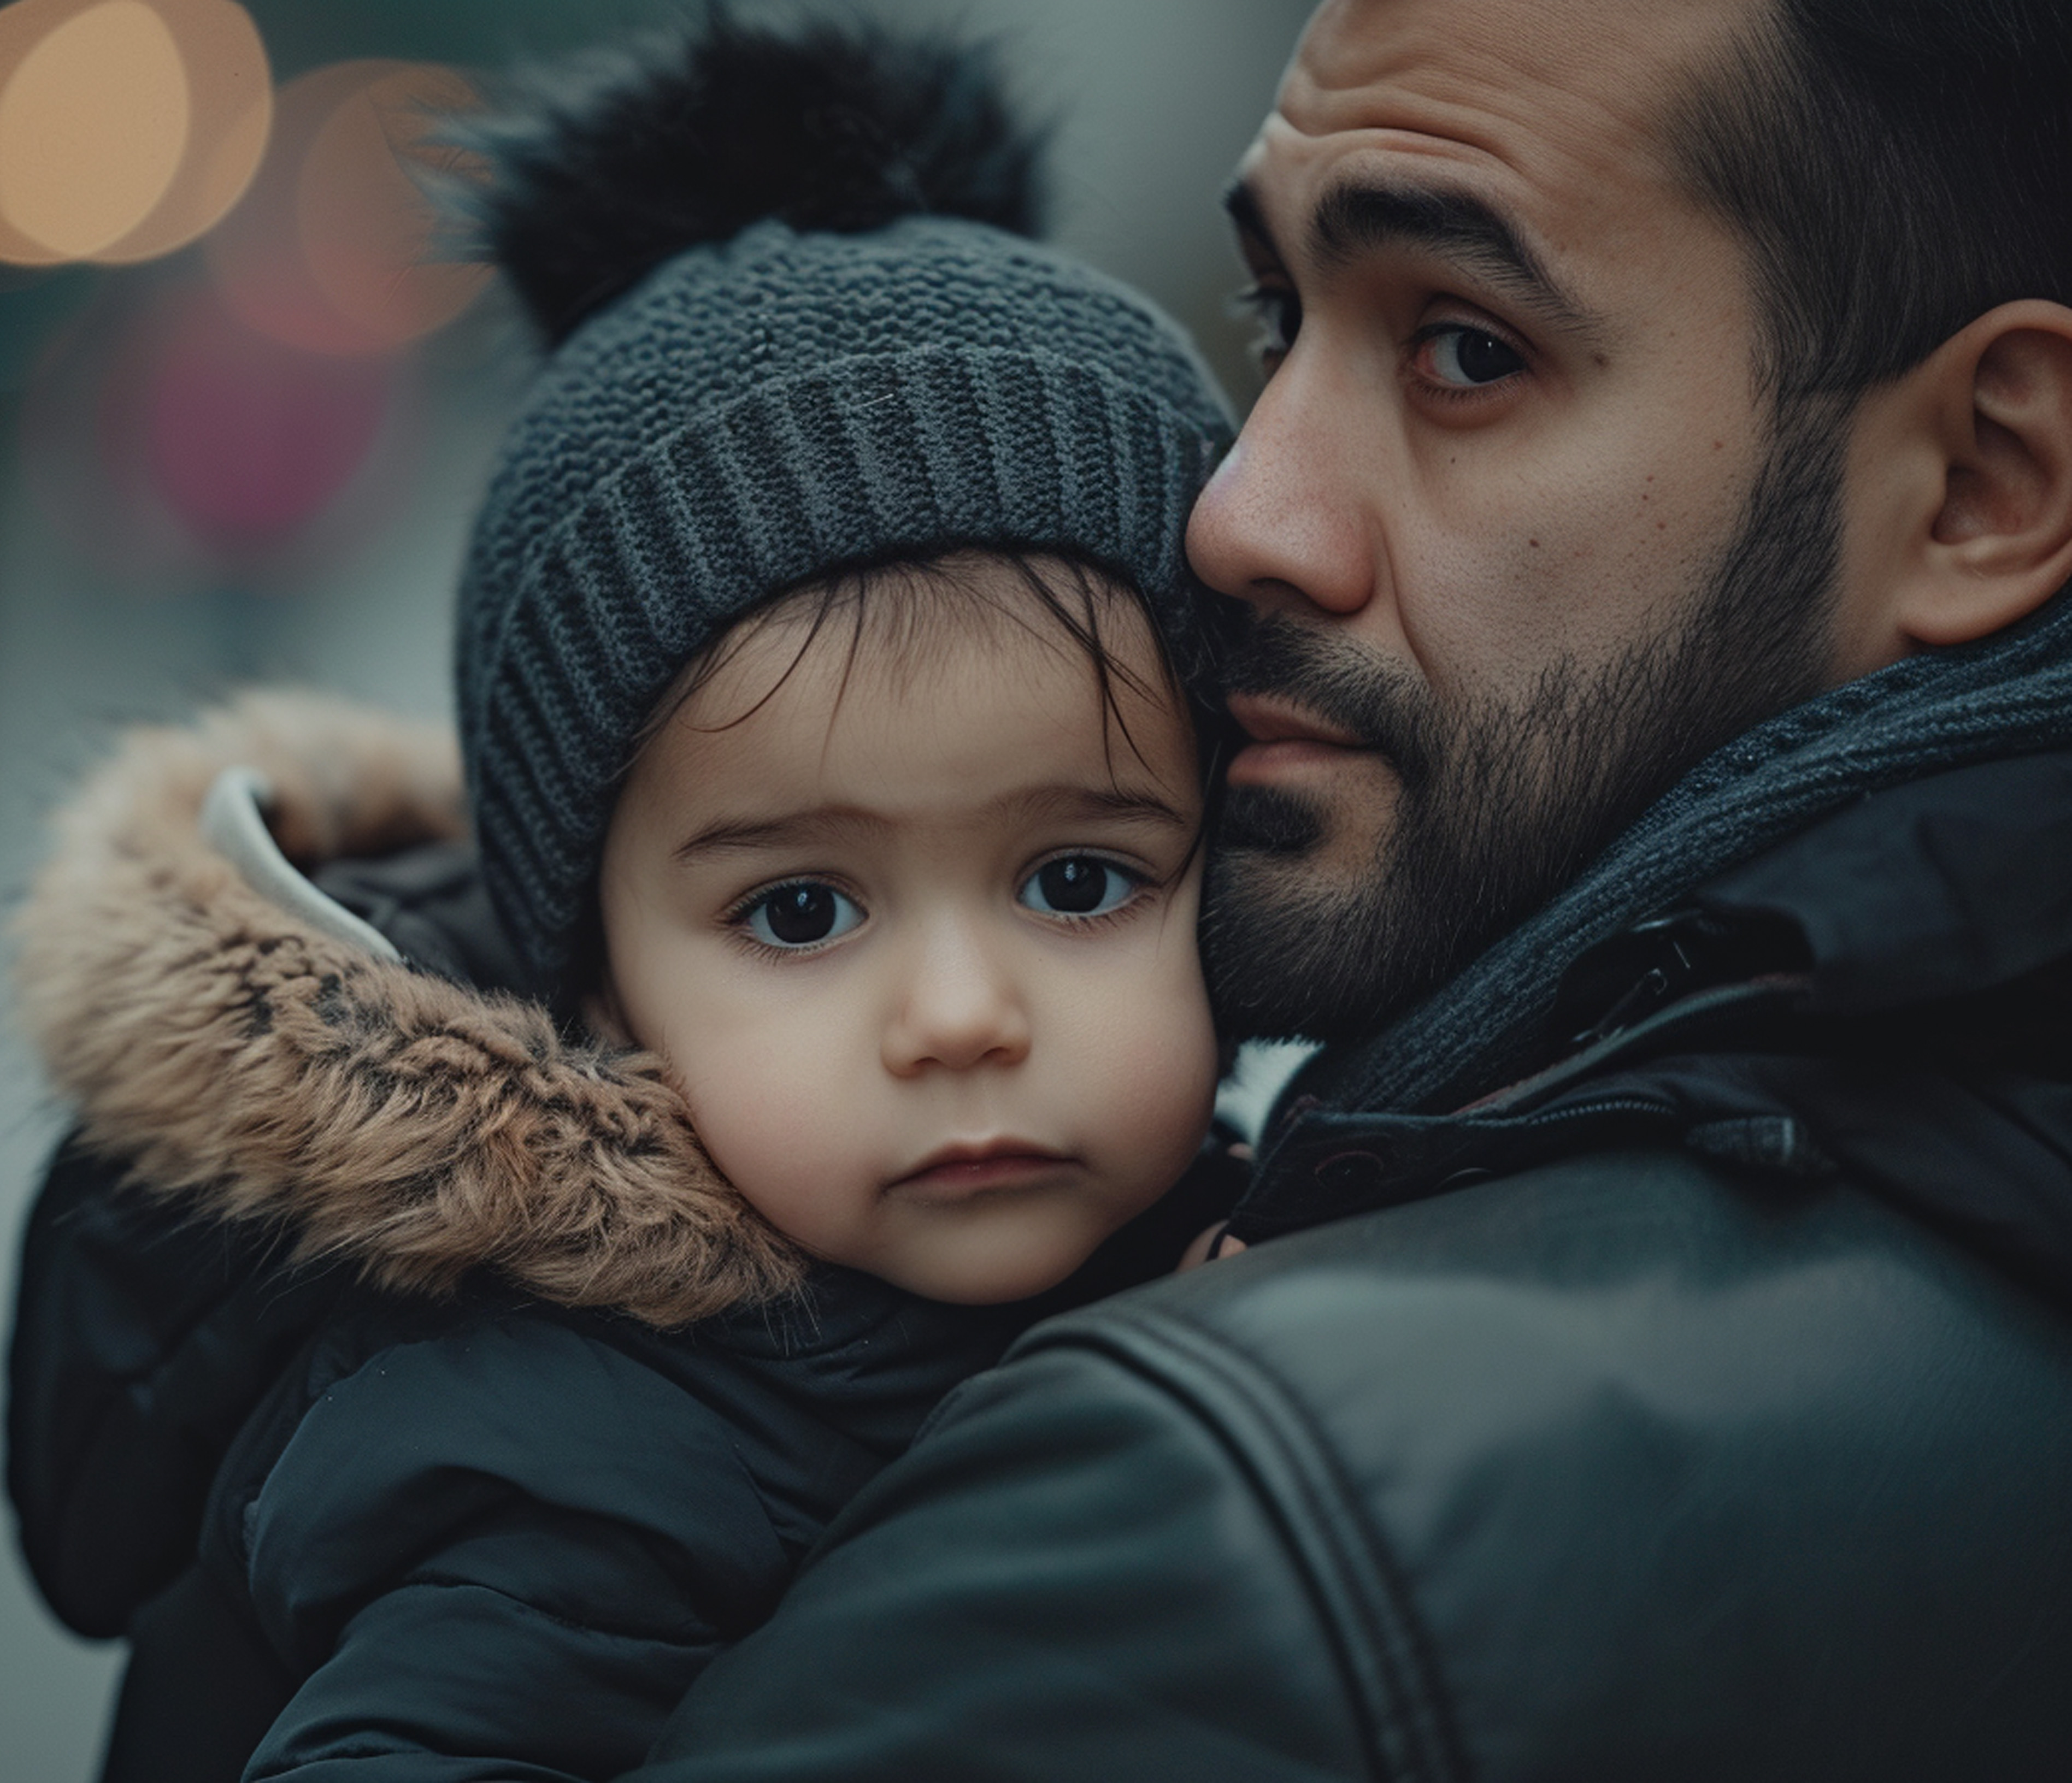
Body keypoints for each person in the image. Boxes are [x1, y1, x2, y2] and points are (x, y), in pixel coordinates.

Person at [610, 1, 2072, 1777]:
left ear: (1985, 483)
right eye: (1278, 320)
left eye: (1465, 349)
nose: (1240, 513)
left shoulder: (1216, 1529)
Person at [2, 16, 1238, 1781]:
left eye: (1076, 878)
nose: (965, 1014)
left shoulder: (1248, 1228)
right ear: (594, 990)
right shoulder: (573, 1479)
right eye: (802, 913)